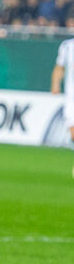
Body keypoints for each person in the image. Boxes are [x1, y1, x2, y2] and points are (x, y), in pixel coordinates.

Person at [50, 37, 74, 177]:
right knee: (73, 133)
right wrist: (55, 84)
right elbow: (59, 67)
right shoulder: (67, 46)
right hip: (71, 97)